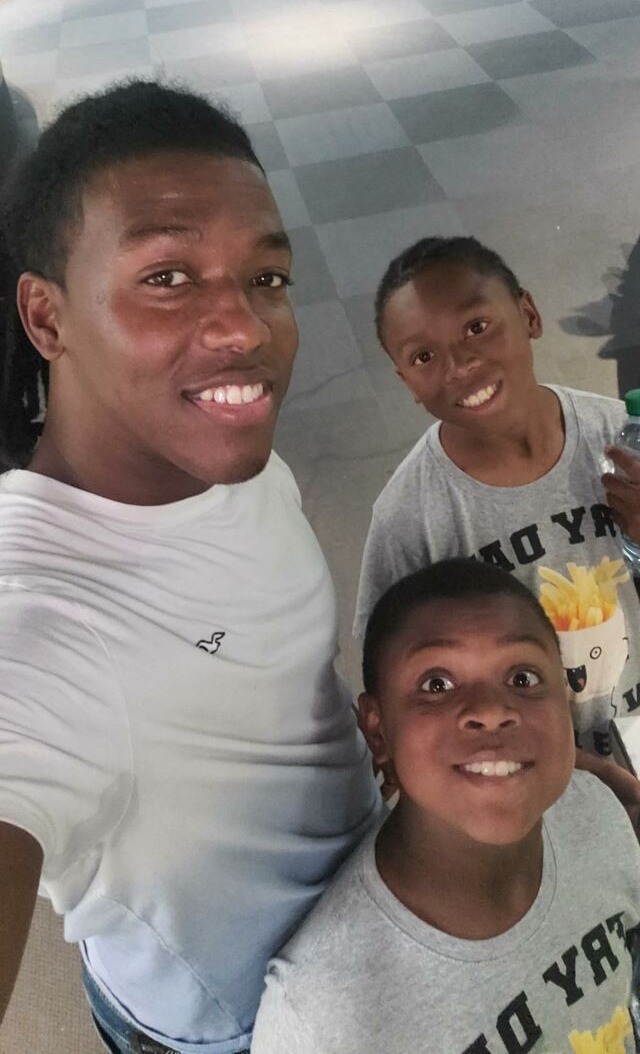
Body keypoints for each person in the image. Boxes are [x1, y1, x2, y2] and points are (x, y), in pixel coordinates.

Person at [0, 80, 378, 1054]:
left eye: (266, 276)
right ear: (47, 317)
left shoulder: (217, 450)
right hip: (238, 1030)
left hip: (371, 923)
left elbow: (251, 661)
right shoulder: (40, 628)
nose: (246, 327)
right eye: (167, 276)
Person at [251, 559, 640, 1054]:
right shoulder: (320, 1014)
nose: (491, 711)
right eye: (437, 684)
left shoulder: (597, 815)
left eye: (522, 677)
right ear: (377, 731)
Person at [353, 236, 640, 796]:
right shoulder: (410, 518)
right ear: (405, 382)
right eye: (423, 357)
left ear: (529, 315)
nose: (460, 365)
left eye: (477, 327)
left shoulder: (621, 440)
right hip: (525, 785)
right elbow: (401, 696)